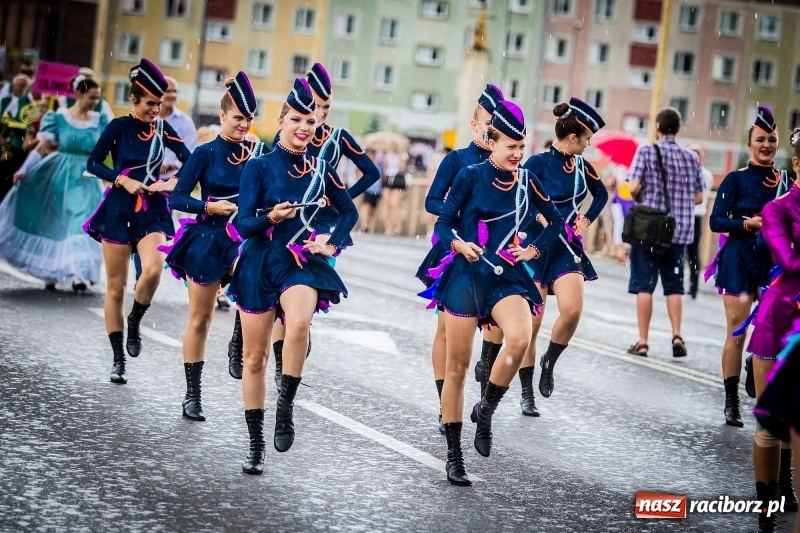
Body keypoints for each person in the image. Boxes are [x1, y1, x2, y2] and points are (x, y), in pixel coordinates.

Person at [424, 100, 564, 485]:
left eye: (522, 147)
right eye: (510, 146)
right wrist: (457, 245)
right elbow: (442, 224)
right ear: (492, 141)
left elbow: (555, 223)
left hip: (505, 276)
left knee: (519, 339)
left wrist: (533, 248)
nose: (518, 154)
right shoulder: (470, 176)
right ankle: (454, 455)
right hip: (467, 275)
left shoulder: (527, 181)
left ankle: (486, 410)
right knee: (457, 366)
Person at [227, 78, 357, 475]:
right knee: (255, 358)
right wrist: (271, 216)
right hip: (258, 262)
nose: (305, 128)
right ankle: (255, 444)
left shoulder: (322, 169)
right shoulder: (259, 166)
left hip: (299, 264)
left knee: (299, 322)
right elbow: (244, 222)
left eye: (311, 122)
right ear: (282, 118)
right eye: (297, 119)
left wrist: (330, 244)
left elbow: (349, 212)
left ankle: (285, 407)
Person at [262, 63, 380, 391]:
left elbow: (371, 173)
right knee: (278, 295)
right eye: (315, 106)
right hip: (288, 226)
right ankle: (281, 365)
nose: (319, 114)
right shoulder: (288, 134)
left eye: (326, 108)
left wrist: (340, 196)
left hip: (324, 227)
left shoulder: (339, 138)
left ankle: (297, 337)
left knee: (307, 292)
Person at [161, 72, 268, 421]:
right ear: (222, 116)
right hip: (206, 240)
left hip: (243, 239)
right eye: (237, 117)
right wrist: (209, 207)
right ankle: (192, 394)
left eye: (248, 119)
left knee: (249, 279)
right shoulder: (205, 153)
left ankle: (238, 339)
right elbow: (178, 197)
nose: (243, 124)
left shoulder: (258, 154)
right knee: (201, 319)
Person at [84, 58, 192, 384]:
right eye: (149, 104)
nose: (155, 110)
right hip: (118, 208)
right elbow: (93, 163)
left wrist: (173, 184)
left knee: (154, 269)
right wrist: (121, 179)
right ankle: (118, 359)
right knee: (115, 288)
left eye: (159, 104)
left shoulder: (163, 128)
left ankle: (136, 319)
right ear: (133, 99)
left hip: (153, 207)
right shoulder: (118, 126)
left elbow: (191, 161)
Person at [417, 83, 504, 432]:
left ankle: (486, 374)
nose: (491, 129)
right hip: (455, 248)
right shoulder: (457, 160)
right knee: (446, 329)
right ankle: (445, 403)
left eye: (497, 124)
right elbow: (431, 202)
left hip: (493, 252)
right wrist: (461, 209)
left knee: (497, 323)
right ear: (473, 124)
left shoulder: (509, 162)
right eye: (487, 122)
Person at [511, 98, 608, 410]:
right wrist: (537, 217)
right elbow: (518, 199)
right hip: (536, 245)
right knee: (533, 324)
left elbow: (601, 193)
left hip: (567, 246)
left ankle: (549, 361)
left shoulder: (581, 166)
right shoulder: (537, 164)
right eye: (587, 139)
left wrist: (587, 218)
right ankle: (527, 393)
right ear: (571, 138)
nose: (589, 144)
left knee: (572, 310)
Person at [708, 106, 793, 427]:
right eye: (760, 139)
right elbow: (717, 221)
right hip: (739, 259)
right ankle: (731, 402)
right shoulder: (736, 179)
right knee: (737, 330)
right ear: (749, 145)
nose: (766, 145)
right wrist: (748, 223)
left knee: (773, 329)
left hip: (775, 261)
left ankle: (753, 366)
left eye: (771, 139)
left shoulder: (786, 181)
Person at [0, 79, 106, 290]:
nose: (96, 102)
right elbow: (42, 147)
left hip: (87, 179)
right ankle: (52, 270)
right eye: (92, 97)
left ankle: (78, 272)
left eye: (97, 97)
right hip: (60, 174)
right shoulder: (58, 118)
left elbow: (111, 149)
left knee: (80, 222)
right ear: (78, 94)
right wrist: (23, 170)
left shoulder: (100, 121)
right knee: (58, 225)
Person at [745, 129, 800, 531]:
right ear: (796, 164)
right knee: (769, 426)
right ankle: (766, 508)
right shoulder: (779, 209)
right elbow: (790, 260)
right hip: (780, 318)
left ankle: (789, 487)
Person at [625, 107, 704, 359]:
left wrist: (642, 192)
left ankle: (643, 341)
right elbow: (700, 196)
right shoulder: (691, 157)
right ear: (677, 129)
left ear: (657, 128)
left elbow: (633, 187)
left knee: (644, 286)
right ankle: (677, 335)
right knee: (674, 286)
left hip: (649, 232)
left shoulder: (647, 150)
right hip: (678, 233)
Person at [0, 74, 35, 202]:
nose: (20, 88)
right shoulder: (5, 101)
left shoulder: (29, 104)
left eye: (24, 86)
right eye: (18, 85)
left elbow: (28, 125)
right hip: (2, 145)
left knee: (9, 178)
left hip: (17, 147)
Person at [685, 144, 714, 299]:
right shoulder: (706, 174)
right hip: (697, 216)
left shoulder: (694, 173)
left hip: (690, 214)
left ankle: (686, 284)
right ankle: (693, 286)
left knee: (685, 251)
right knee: (693, 253)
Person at [382, 149, 408, 236]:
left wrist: (399, 155)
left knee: (395, 204)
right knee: (387, 204)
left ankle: (398, 226)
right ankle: (388, 228)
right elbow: (385, 168)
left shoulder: (403, 154)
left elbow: (402, 167)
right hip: (388, 179)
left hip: (397, 179)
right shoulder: (387, 154)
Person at [358, 148, 383, 232]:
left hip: (377, 189)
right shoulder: (365, 164)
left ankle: (367, 224)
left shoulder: (380, 164)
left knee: (372, 208)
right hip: (367, 188)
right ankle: (364, 225)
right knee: (366, 206)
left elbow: (382, 177)